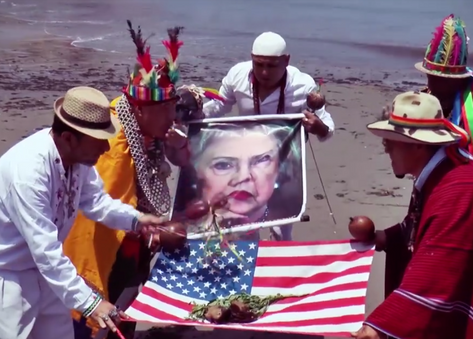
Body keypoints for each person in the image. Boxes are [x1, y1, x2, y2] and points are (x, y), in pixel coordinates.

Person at [349, 91, 473, 338]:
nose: (385, 148)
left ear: (415, 144)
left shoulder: (458, 191)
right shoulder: (443, 169)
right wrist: (386, 238)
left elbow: (433, 278)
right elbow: (421, 228)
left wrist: (379, 327)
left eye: (389, 140)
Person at [63, 22, 210, 339]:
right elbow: (96, 221)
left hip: (133, 242)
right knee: (105, 315)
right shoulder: (115, 145)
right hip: (109, 250)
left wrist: (178, 145)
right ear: (140, 110)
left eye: (174, 108)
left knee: (126, 312)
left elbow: (181, 162)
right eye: (167, 109)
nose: (173, 116)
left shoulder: (149, 131)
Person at [0, 86, 165, 339]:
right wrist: (92, 303)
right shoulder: (29, 174)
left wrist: (138, 220)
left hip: (48, 276)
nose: (106, 148)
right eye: (98, 140)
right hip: (11, 277)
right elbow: (46, 251)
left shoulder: (78, 161)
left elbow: (97, 202)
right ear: (68, 138)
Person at [201, 31, 334, 240]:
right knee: (243, 219)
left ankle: (279, 263)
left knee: (281, 225)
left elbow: (327, 129)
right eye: (258, 64)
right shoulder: (238, 75)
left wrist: (317, 127)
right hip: (244, 160)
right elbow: (219, 105)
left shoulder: (303, 86)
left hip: (285, 160)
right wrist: (193, 112)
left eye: (272, 66)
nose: (264, 72)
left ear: (286, 61)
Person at [174, 121, 303, 237]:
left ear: (278, 169)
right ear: (197, 171)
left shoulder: (281, 228)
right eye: (223, 165)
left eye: (261, 160)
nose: (243, 177)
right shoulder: (177, 230)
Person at [415, 14, 473, 172]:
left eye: (443, 80)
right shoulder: (423, 101)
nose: (434, 85)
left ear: (457, 80)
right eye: (431, 77)